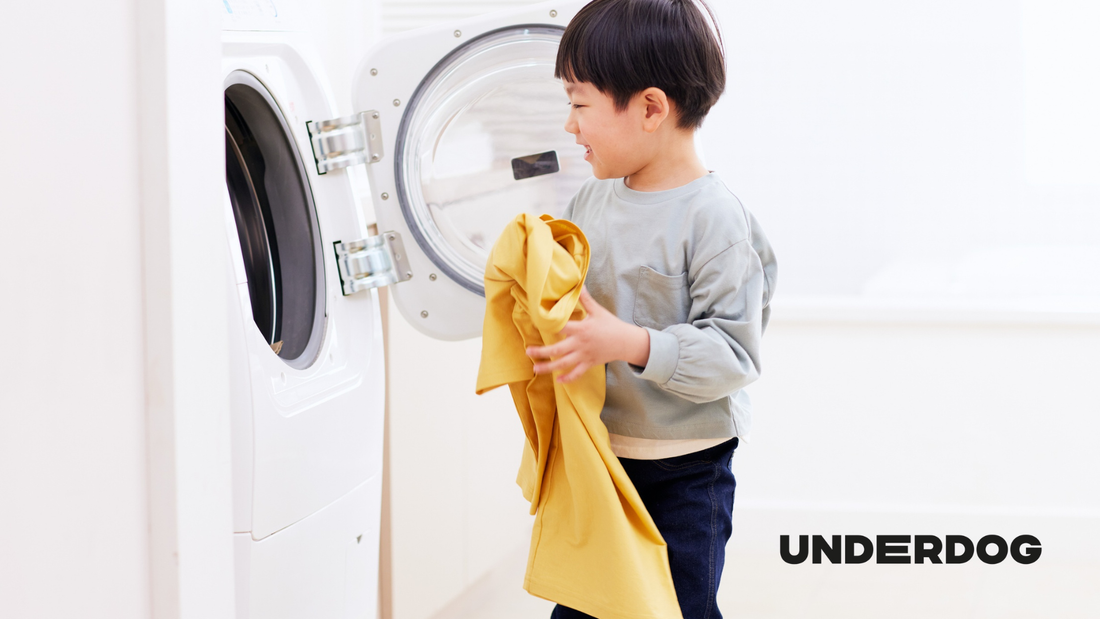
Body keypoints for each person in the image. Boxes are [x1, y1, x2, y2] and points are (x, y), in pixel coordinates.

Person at [523, 0, 778, 617]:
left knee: (677, 607)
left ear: (650, 108)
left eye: (579, 103)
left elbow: (735, 356)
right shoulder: (591, 202)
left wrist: (631, 343)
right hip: (604, 457)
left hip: (687, 470)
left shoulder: (714, 220)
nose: (569, 125)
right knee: (583, 604)